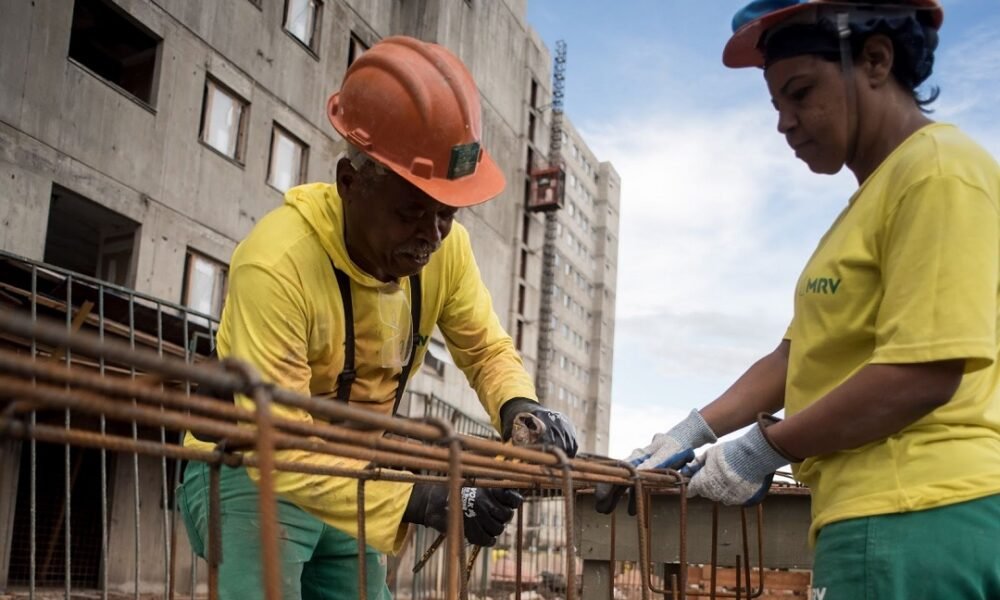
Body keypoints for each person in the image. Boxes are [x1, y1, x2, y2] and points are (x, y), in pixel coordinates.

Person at [598, 1, 1000, 598]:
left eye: (801, 91)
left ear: (875, 59)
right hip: (882, 517)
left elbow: (924, 371)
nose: (785, 122)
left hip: (911, 516)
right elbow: (795, 357)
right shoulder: (869, 204)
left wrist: (762, 449)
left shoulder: (937, 173)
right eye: (776, 105)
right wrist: (692, 430)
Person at [177, 36, 578, 600]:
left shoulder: (446, 250)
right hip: (247, 468)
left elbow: (486, 350)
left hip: (352, 477)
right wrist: (430, 498)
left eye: (447, 214)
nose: (432, 236)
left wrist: (521, 408)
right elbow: (283, 450)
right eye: (412, 212)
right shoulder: (276, 263)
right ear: (349, 184)